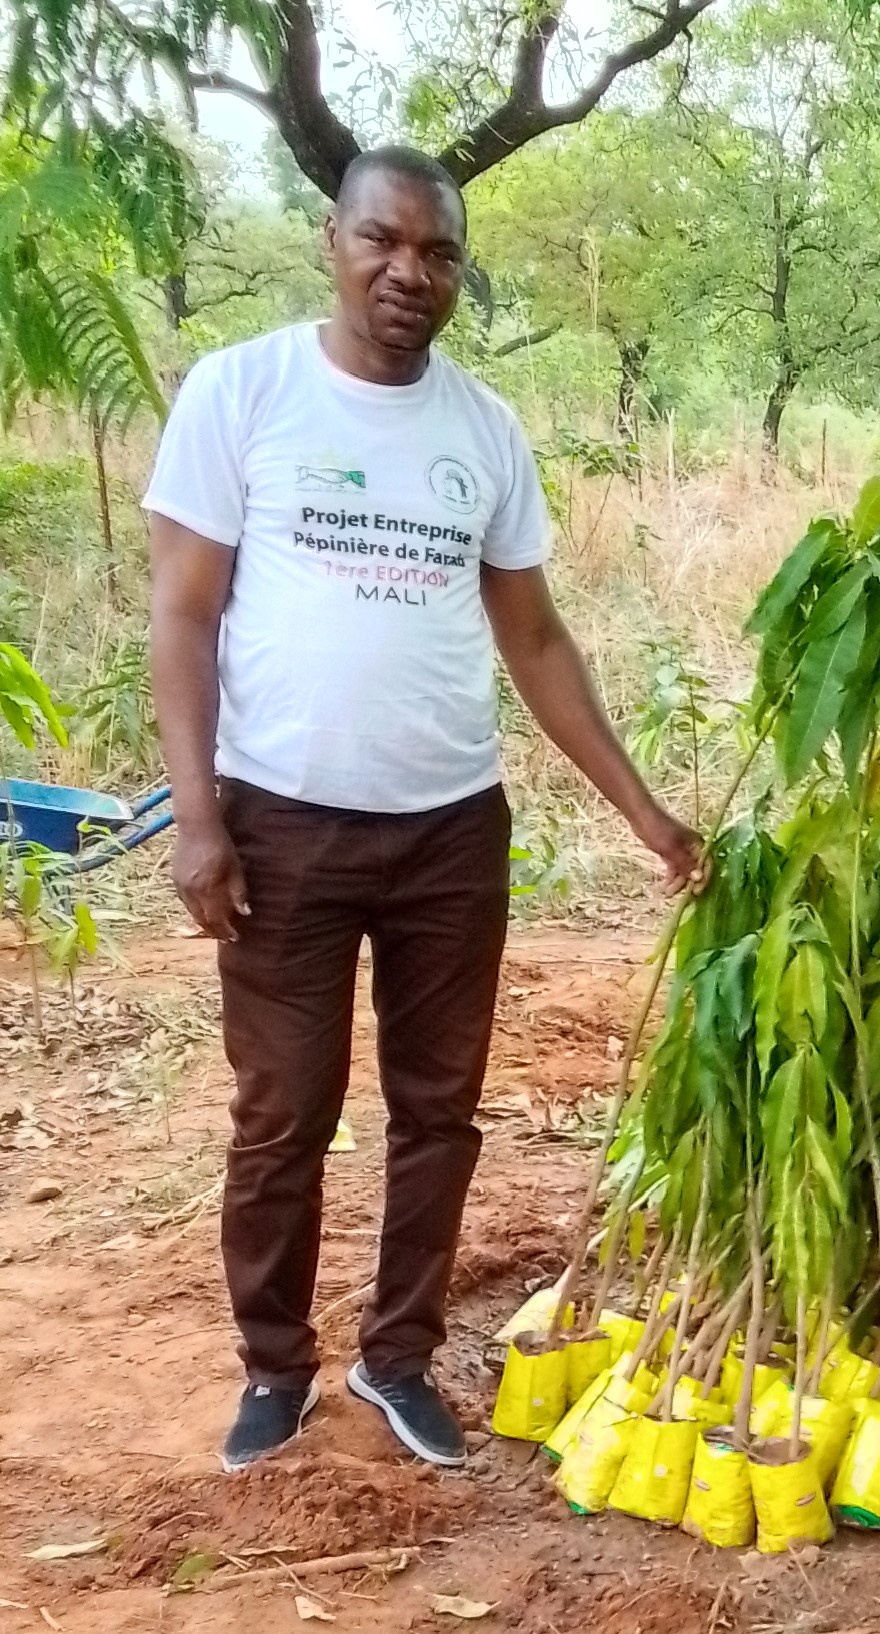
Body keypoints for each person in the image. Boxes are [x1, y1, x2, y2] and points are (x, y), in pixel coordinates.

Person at [144, 146, 700, 1474]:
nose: (410, 273)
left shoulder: (483, 431)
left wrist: (643, 809)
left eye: (438, 254)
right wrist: (198, 814)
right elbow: (182, 608)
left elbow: (539, 638)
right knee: (282, 1108)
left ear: (460, 271)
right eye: (383, 243)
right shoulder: (245, 393)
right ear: (333, 241)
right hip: (279, 823)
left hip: (452, 827)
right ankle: (275, 1367)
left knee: (439, 1108)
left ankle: (398, 1357)